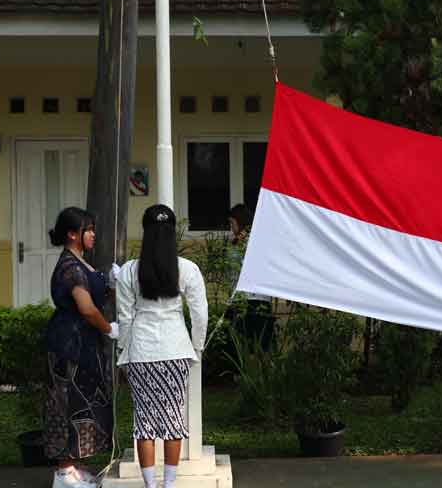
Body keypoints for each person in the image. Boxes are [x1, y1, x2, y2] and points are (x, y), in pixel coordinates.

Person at [115, 204, 208, 488]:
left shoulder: (129, 271)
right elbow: (200, 312)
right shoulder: (187, 269)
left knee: (144, 421)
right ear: (172, 234)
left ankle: (150, 486)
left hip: (141, 351)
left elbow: (125, 316)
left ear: (145, 232)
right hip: (176, 349)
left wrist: (123, 349)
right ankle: (168, 485)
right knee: (172, 419)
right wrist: (197, 346)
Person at [43, 207, 118, 488]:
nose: (93, 235)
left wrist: (111, 285)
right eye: (88, 230)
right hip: (69, 345)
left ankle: (75, 465)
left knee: (85, 402)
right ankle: (64, 472)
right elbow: (86, 308)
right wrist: (110, 328)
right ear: (73, 234)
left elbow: (96, 298)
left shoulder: (82, 263)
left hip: (85, 344)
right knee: (67, 403)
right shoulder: (70, 268)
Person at [226, 203, 275, 351]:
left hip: (243, 300)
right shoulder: (261, 240)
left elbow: (233, 272)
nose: (231, 228)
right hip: (262, 300)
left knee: (238, 348)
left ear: (238, 222)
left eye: (231, 223)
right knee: (259, 348)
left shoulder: (246, 243)